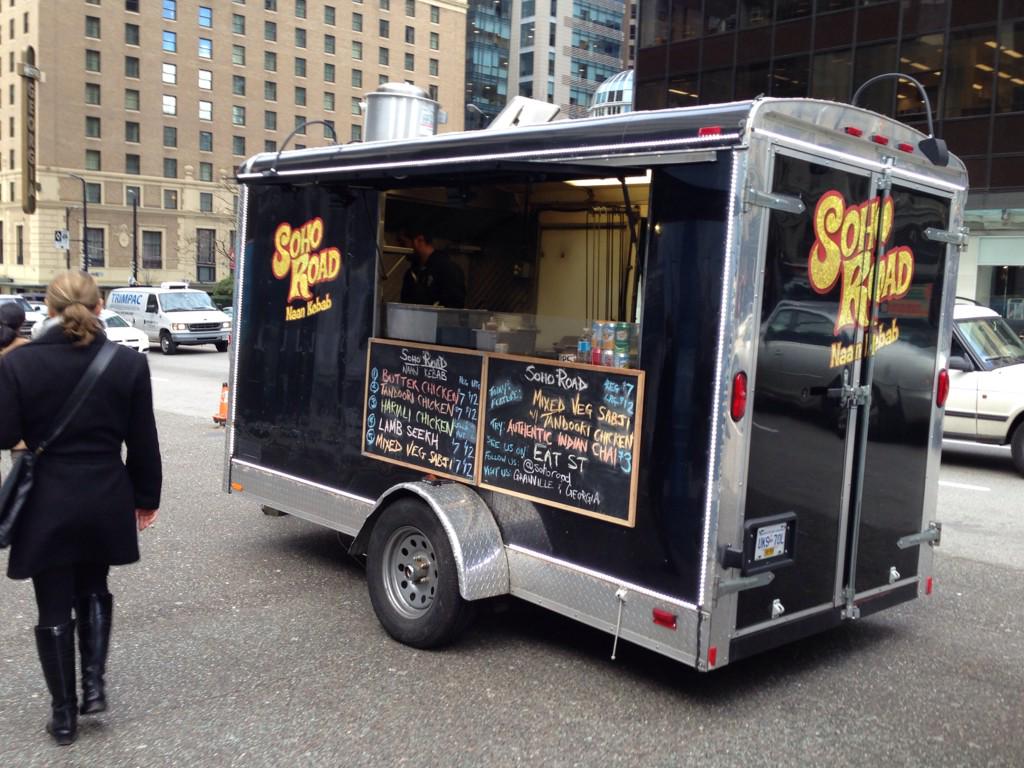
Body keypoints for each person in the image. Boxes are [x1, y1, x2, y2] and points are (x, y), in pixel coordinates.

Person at [0, 271, 162, 747]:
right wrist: (146, 498)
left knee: (52, 600)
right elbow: (143, 441)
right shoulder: (127, 363)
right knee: (94, 585)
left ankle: (64, 716)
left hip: (47, 496)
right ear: (99, 307)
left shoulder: (19, 364)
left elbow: (4, 434)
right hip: (105, 492)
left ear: (46, 310)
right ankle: (94, 687)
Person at [398, 228, 467, 308]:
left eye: (403, 243)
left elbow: (454, 307)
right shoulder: (411, 274)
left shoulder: (447, 269)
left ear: (419, 240)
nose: (401, 248)